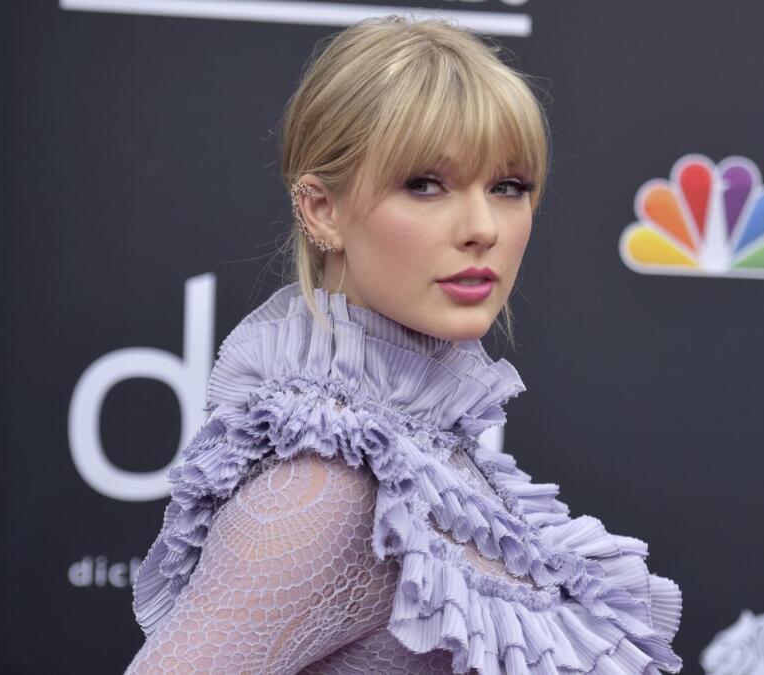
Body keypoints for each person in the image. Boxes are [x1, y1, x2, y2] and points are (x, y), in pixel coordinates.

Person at [125, 15, 682, 674]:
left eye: (508, 187)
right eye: (425, 184)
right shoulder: (329, 487)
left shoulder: (432, 461)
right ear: (320, 209)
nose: (482, 228)